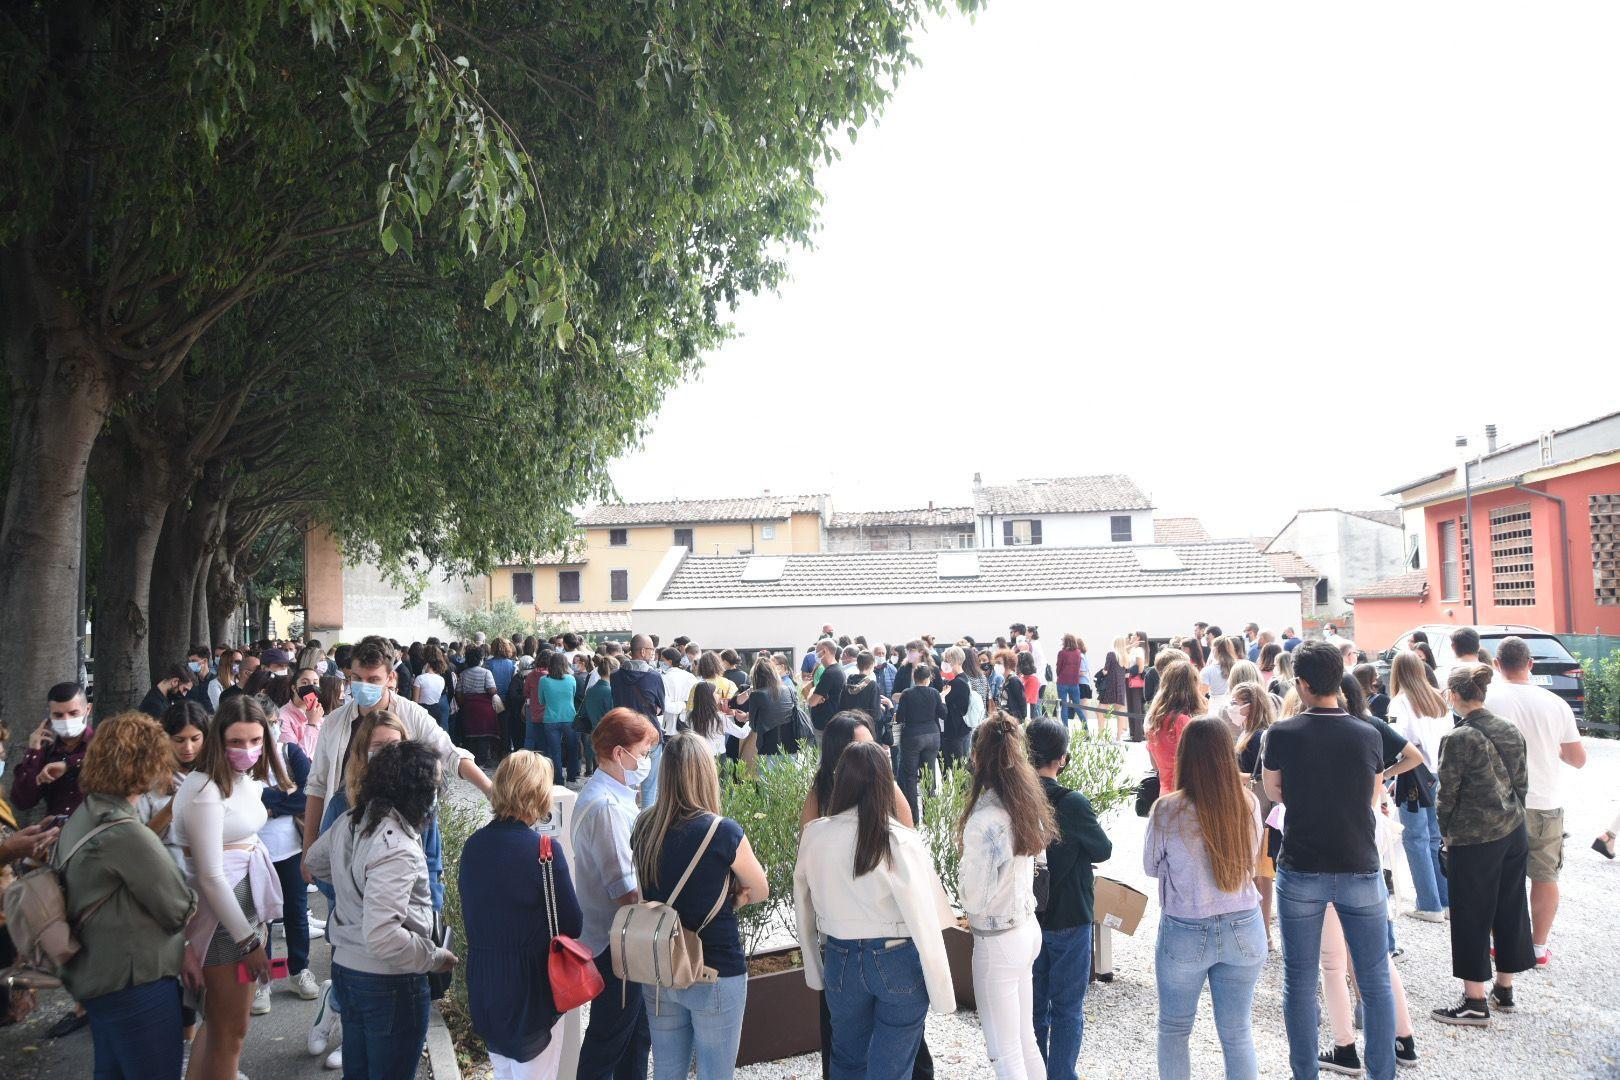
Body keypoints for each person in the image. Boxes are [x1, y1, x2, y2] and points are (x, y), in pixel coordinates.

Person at [1262, 641, 1397, 1080]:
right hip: (1359, 863)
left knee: (1299, 981)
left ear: (1300, 684)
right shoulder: (1368, 733)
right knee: (1374, 982)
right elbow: (1372, 794)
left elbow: (1275, 792)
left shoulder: (1280, 734)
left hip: (1302, 865)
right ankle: (1383, 1073)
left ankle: (1305, 1073)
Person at [794, 742, 955, 1080]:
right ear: (886, 782)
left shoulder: (816, 835)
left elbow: (802, 905)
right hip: (896, 958)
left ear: (841, 782)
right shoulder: (900, 840)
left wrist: (814, 965)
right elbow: (927, 918)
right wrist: (942, 988)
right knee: (891, 1070)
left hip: (840, 958)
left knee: (847, 1062)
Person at [57, 711, 199, 1080]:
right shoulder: (125, 832)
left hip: (96, 974)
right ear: (145, 764)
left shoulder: (87, 813)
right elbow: (178, 907)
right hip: (136, 980)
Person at [305, 740, 457, 1077]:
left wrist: (353, 889)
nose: (440, 791)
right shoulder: (397, 846)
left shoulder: (350, 820)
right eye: (435, 783)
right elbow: (384, 936)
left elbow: (315, 861)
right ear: (414, 788)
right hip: (389, 983)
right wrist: (433, 959)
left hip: (347, 969)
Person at [630, 731, 768, 1079]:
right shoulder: (722, 831)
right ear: (706, 773)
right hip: (714, 968)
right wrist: (732, 897)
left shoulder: (644, 825)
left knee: (666, 1071)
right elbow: (761, 888)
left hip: (660, 966)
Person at [172, 693, 292, 1080]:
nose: (247, 749)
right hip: (225, 925)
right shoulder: (206, 790)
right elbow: (209, 875)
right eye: (236, 742)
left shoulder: (241, 779)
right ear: (218, 739)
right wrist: (248, 941)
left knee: (221, 1026)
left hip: (244, 915)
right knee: (231, 1031)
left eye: (256, 741)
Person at [1144, 718, 1266, 1080]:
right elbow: (1253, 857)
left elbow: (1151, 866)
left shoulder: (1168, 809)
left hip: (1185, 927)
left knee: (1175, 1030)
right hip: (1245, 923)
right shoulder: (1246, 803)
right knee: (1237, 1032)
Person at [459, 751, 582, 1080]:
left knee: (503, 1072)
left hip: (484, 980)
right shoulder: (544, 851)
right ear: (538, 793)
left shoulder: (474, 846)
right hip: (530, 986)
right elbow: (572, 924)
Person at [1432, 663, 1535, 1027]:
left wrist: (1444, 833)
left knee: (1472, 914)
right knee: (1510, 905)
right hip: (1513, 829)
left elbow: (1446, 796)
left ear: (1456, 696)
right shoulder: (1509, 729)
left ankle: (1474, 999)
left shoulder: (1457, 738)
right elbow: (1522, 780)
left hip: (1475, 837)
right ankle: (1504, 988)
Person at [959, 715, 1057, 1080]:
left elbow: (974, 897)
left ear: (978, 757)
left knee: (1004, 1053)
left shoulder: (986, 818)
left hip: (998, 938)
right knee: (1024, 1040)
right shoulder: (1025, 802)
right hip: (1025, 928)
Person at [1485, 636, 1586, 966]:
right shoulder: (1554, 703)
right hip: (1545, 800)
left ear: (1497, 665)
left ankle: (1500, 943)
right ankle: (1539, 947)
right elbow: (1577, 758)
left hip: (1500, 802)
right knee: (1545, 876)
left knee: (1500, 876)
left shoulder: (1489, 699)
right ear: (1530, 664)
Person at [571, 707, 660, 1079]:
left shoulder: (611, 791)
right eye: (642, 753)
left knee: (635, 1035)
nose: (646, 762)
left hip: (620, 938)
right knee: (609, 1038)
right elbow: (624, 887)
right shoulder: (605, 806)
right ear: (619, 753)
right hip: (615, 943)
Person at [1026, 720, 1110, 1080]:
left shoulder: (1015, 800)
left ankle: (1035, 1072)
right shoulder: (1072, 803)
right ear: (1062, 759)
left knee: (1033, 1008)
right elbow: (1102, 850)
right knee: (1068, 1009)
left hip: (1026, 918)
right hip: (1069, 916)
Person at [1387, 650, 1451, 921]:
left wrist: (1389, 773)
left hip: (1414, 774)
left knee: (1416, 839)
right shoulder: (1438, 699)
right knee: (1434, 839)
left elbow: (1397, 741)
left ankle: (1429, 904)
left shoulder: (1400, 703)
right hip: (1440, 771)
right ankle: (1444, 900)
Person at [13, 681, 95, 820]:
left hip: (98, 833)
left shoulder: (102, 743)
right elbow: (23, 801)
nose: (66, 720)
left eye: (73, 713)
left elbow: (107, 761)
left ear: (88, 709)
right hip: (57, 836)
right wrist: (33, 752)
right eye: (58, 715)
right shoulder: (46, 753)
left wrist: (68, 765)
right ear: (49, 716)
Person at [611, 635, 666, 807]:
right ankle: (646, 830)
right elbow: (659, 708)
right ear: (643, 651)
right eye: (651, 650)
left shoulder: (615, 676)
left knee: (627, 787)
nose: (653, 653)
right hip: (648, 735)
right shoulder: (654, 677)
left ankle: (628, 827)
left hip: (623, 734)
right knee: (650, 789)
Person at [894, 665, 946, 824]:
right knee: (929, 775)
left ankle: (913, 818)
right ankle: (929, 816)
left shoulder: (907, 694)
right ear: (929, 678)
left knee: (910, 777)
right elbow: (943, 714)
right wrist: (942, 700)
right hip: (932, 736)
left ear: (913, 678)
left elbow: (900, 718)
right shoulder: (935, 693)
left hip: (912, 737)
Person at [1145, 660, 1200, 795]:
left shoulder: (1154, 719)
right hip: (1185, 793)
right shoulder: (1183, 722)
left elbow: (1154, 764)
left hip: (1164, 791)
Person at [533, 651, 581, 783]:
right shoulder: (571, 679)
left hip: (550, 719)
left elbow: (541, 701)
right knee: (572, 748)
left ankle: (558, 779)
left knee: (555, 752)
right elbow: (573, 696)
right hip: (569, 718)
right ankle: (572, 776)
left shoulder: (543, 680)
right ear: (565, 664)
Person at [740, 654, 795, 762]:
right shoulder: (788, 689)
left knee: (768, 778)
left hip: (769, 747)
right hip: (791, 745)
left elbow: (754, 726)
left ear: (756, 676)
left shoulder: (756, 694)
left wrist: (748, 717)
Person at [457, 644, 504, 766]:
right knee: (484, 736)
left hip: (469, 707)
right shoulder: (486, 672)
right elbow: (492, 690)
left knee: (471, 736)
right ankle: (482, 761)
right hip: (484, 708)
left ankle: (471, 762)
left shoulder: (463, 674)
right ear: (480, 659)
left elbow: (458, 692)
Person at [687, 680, 751, 759]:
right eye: (716, 692)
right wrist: (749, 720)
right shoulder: (719, 717)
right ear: (709, 697)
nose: (719, 695)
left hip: (698, 756)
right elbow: (742, 734)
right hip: (717, 757)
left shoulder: (690, 716)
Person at [939, 646, 977, 771]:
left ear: (953, 660)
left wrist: (942, 696)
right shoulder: (964, 679)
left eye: (946, 660)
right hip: (964, 729)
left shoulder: (956, 683)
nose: (944, 664)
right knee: (962, 766)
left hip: (954, 731)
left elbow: (943, 704)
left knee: (955, 770)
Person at [279, 667, 326, 758]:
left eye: (315, 683)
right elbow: (295, 757)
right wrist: (311, 724)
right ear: (294, 688)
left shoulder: (317, 713)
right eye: (305, 683)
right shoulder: (282, 717)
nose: (311, 687)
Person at [807, 639, 847, 738]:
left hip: (825, 726)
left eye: (817, 653)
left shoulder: (830, 673)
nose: (816, 656)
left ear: (824, 651)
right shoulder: (837, 669)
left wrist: (812, 691)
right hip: (831, 723)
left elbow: (812, 702)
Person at [1095, 639, 1128, 740]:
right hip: (1121, 687)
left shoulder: (1111, 654)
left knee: (1100, 711)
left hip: (1110, 686)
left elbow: (1105, 671)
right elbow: (1127, 674)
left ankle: (1101, 736)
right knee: (1120, 712)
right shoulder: (1125, 656)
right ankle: (1118, 737)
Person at [413, 644, 451, 730]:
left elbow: (415, 701)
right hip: (436, 709)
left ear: (427, 665)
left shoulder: (420, 679)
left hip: (422, 710)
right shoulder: (441, 679)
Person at [1053, 635, 1089, 727]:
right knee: (1077, 707)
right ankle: (1086, 730)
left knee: (1064, 707)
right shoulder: (1078, 653)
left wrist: (1060, 674)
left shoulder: (1062, 653)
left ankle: (1066, 731)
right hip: (1074, 682)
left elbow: (1058, 668)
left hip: (1062, 682)